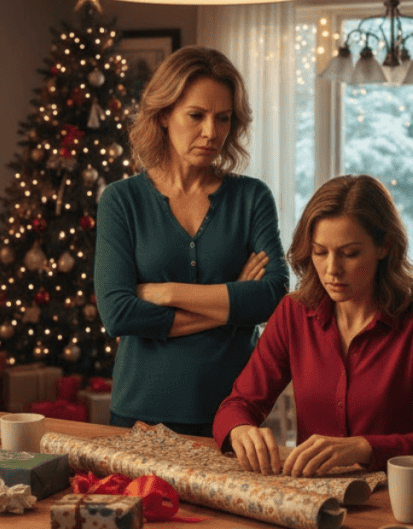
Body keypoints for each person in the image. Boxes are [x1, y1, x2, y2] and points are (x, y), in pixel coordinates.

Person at [213, 174, 413, 476]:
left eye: (350, 253)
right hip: (312, 501)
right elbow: (237, 405)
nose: (332, 269)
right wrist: (241, 429)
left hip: (396, 501)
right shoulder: (293, 314)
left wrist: (364, 448)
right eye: (320, 252)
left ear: (384, 246)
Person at [95, 46, 289, 438]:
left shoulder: (252, 198)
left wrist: (167, 293)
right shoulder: (122, 200)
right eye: (196, 116)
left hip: (234, 414)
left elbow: (273, 294)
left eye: (223, 119)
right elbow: (118, 313)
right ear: (164, 114)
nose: (211, 133)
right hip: (141, 411)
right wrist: (233, 306)